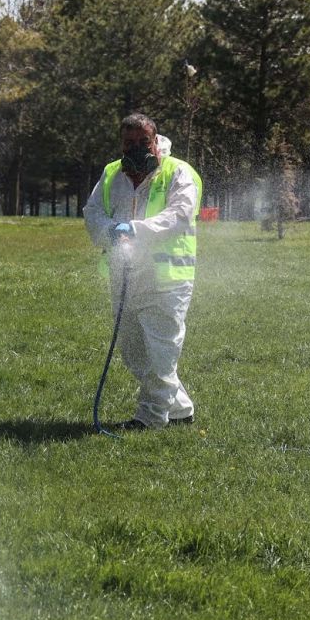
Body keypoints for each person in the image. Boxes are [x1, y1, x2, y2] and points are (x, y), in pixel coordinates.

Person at [83, 113, 203, 431]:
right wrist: (110, 230)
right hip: (124, 277)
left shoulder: (178, 173)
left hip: (165, 279)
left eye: (143, 142)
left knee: (161, 352)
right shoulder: (112, 174)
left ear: (156, 140)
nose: (136, 148)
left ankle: (150, 418)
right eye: (129, 143)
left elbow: (179, 215)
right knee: (133, 350)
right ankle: (180, 409)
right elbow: (92, 212)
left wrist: (136, 229)